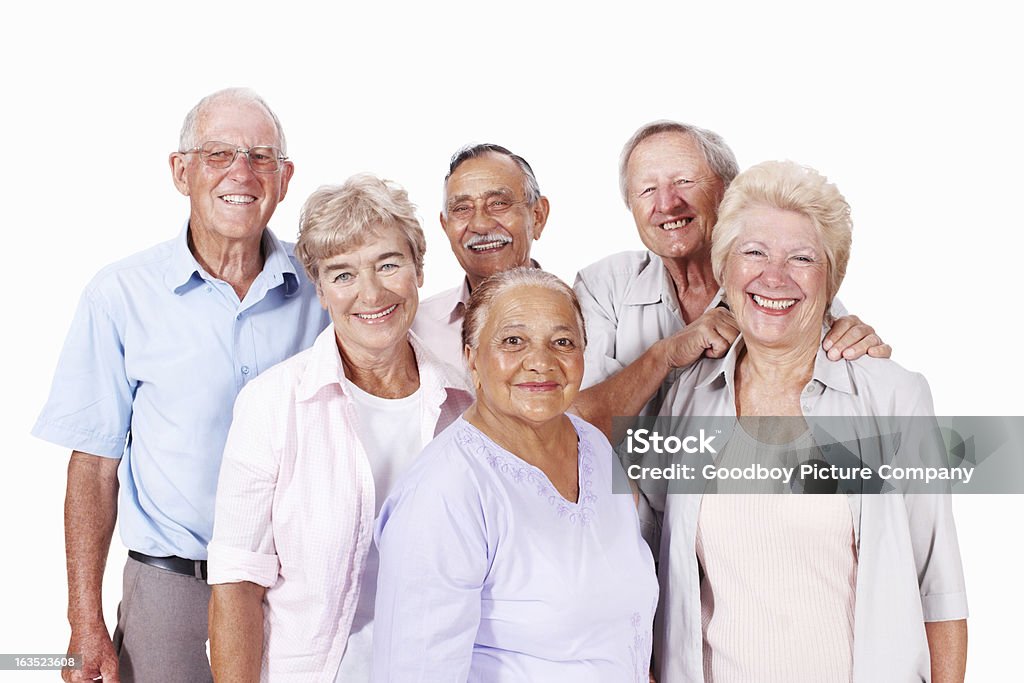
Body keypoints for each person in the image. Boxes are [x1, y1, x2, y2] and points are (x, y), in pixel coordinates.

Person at [32, 88, 329, 683]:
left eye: (260, 156)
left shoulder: (328, 286)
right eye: (218, 154)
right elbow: (92, 467)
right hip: (170, 590)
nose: (241, 173)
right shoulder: (120, 295)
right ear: (181, 170)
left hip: (296, 588)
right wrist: (84, 622)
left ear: (286, 176)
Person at [652, 160, 968, 682]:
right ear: (725, 268)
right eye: (753, 253)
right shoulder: (689, 397)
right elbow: (652, 567)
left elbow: (939, 584)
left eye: (801, 258)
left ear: (831, 278)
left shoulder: (892, 396)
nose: (773, 277)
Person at [207, 174, 473, 681]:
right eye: (343, 274)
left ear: (418, 270)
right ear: (321, 290)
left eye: (388, 265)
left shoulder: (465, 403)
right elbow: (238, 582)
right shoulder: (272, 404)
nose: (370, 293)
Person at [374, 268, 658, 682]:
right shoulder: (444, 493)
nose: (541, 362)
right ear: (472, 357)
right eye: (512, 341)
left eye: (562, 342)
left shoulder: (594, 447)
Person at [573, 121, 890, 435]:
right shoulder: (603, 287)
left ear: (726, 191)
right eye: (647, 190)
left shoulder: (783, 288)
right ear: (631, 205)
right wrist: (663, 355)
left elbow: (849, 380)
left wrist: (854, 344)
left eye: (684, 181)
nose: (667, 203)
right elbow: (568, 427)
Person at [412, 143, 550, 369]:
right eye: (462, 208)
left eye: (498, 203)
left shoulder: (588, 317)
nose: (480, 224)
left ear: (537, 216)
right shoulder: (415, 330)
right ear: (445, 226)